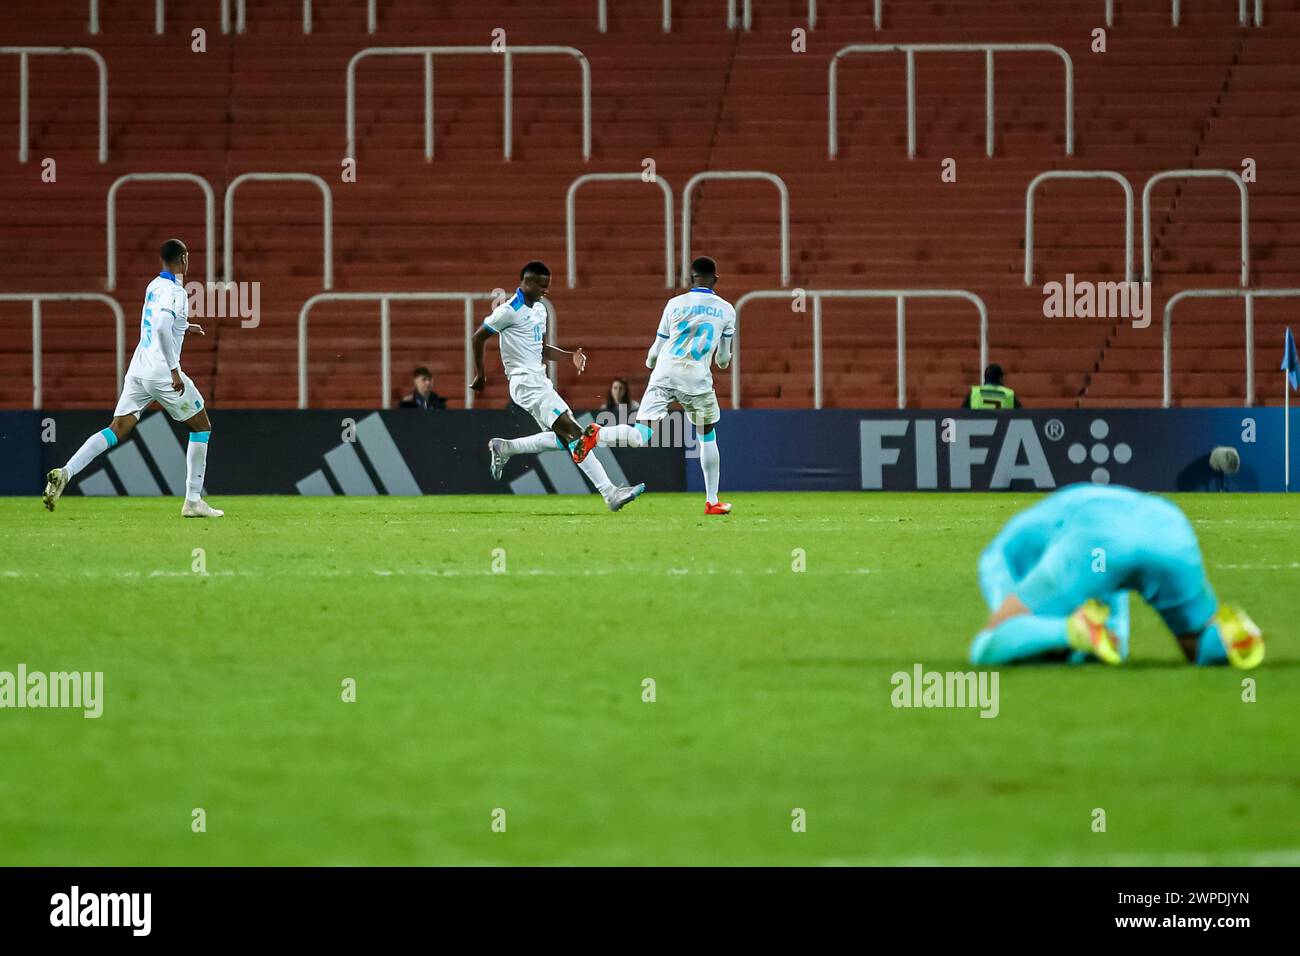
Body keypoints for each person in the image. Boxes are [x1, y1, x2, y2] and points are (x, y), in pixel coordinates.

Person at [968, 484, 1264, 669]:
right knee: (1196, 644)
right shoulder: (1053, 516)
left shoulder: (999, 555)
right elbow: (1114, 626)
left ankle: (1073, 631)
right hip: (1170, 528)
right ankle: (1230, 635)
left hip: (1095, 541)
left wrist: (1060, 635)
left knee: (987, 645)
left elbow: (1007, 620)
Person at [42, 239, 223, 517]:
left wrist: (185, 326)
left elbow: (157, 321)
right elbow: (162, 326)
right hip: (162, 372)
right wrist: (174, 370)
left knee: (118, 427)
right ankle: (193, 501)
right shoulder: (176, 291)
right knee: (201, 427)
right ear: (184, 259)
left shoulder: (153, 285)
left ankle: (67, 471)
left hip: (139, 368)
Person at [477, 261, 644, 512]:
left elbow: (540, 348)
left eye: (548, 286)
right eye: (542, 286)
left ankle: (507, 447)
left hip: (539, 381)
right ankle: (610, 493)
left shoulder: (540, 310)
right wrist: (480, 375)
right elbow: (478, 336)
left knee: (564, 439)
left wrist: (569, 357)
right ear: (528, 282)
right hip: (525, 382)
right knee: (576, 434)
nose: (546, 291)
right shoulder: (508, 311)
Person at [588, 256, 735, 515]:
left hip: (664, 375)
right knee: (707, 437)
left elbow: (655, 352)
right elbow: (722, 361)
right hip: (696, 381)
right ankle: (712, 501)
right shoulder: (726, 310)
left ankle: (598, 434)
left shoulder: (675, 304)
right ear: (716, 279)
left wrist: (650, 363)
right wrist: (721, 357)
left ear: (690, 279)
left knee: (640, 435)